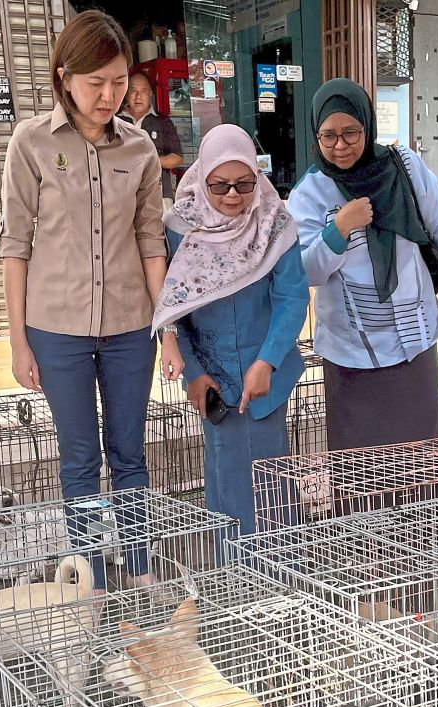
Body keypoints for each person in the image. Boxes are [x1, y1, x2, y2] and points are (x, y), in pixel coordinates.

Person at [0, 11, 179, 588]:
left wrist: (168, 328)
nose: (110, 95)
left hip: (131, 326)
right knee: (79, 459)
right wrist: (18, 341)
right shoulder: (30, 143)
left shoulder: (141, 150)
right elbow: (15, 245)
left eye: (119, 81)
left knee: (129, 454)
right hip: (56, 330)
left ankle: (140, 567)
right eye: (96, 82)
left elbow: (152, 242)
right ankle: (90, 579)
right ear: (64, 78)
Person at [287, 78, 438, 452]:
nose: (340, 145)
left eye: (351, 132)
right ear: (316, 135)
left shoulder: (404, 166)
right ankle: (366, 515)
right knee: (361, 460)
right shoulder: (309, 192)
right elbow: (304, 272)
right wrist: (338, 230)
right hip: (351, 351)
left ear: (367, 125)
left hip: (414, 338)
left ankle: (425, 514)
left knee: (422, 453)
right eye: (329, 136)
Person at [151, 124, 308, 535]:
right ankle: (234, 582)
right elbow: (174, 307)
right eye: (220, 186)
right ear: (202, 180)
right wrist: (194, 373)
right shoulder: (181, 228)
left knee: (272, 482)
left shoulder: (274, 224)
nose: (234, 195)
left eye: (244, 183)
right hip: (213, 380)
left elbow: (292, 298)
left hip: (266, 377)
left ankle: (280, 580)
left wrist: (268, 361)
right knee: (226, 480)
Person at [121, 71, 183, 209]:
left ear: (150, 94)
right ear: (126, 93)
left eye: (143, 91)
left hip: (159, 193)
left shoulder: (162, 122)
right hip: (122, 193)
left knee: (157, 230)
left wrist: (147, 160)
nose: (138, 96)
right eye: (133, 91)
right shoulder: (115, 121)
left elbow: (177, 159)